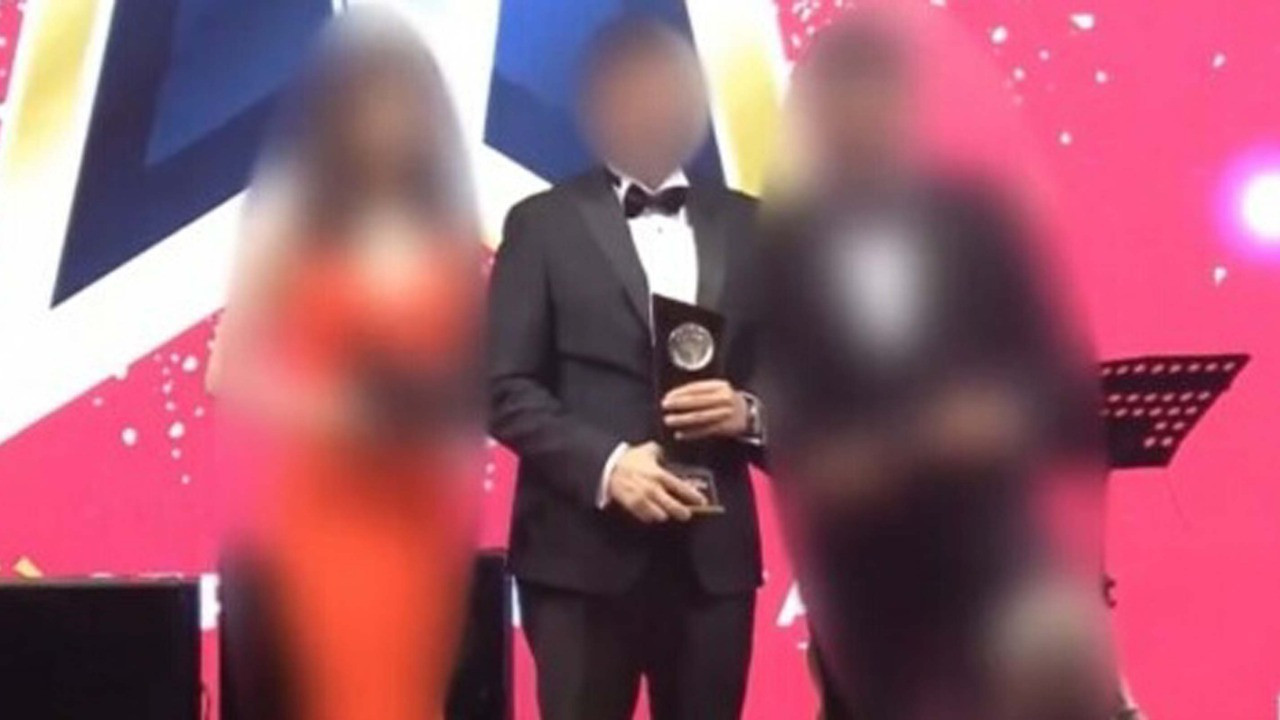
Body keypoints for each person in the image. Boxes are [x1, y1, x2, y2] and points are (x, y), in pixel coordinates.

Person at [757, 13, 1121, 720]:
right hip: (856, 563)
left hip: (987, 546)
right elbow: (771, 396)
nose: (857, 117)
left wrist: (1001, 415)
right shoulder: (778, 249)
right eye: (837, 100)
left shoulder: (981, 223)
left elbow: (1051, 375)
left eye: (874, 95)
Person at [487, 17, 765, 720]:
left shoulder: (753, 226)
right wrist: (609, 466)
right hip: (580, 560)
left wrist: (750, 413)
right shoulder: (541, 223)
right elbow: (502, 387)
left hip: (713, 566)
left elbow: (806, 381)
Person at [207, 10, 482, 720]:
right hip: (323, 518)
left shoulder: (444, 231)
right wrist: (342, 411)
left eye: (406, 103)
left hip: (419, 519)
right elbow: (231, 370)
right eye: (371, 103)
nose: (389, 122)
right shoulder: (285, 219)